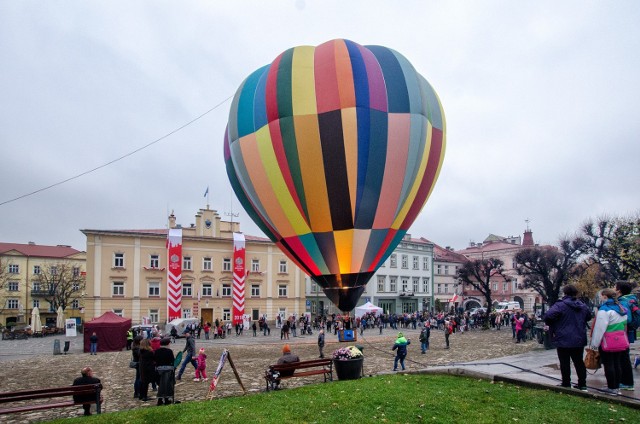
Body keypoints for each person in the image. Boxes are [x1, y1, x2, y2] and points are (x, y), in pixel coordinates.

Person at [543, 284, 592, 391]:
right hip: (578, 337)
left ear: (565, 293)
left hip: (563, 337)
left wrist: (555, 323)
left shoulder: (560, 305)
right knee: (579, 361)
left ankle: (566, 383)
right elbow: (589, 316)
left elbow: (548, 316)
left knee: (564, 362)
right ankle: (582, 384)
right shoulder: (582, 305)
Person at [589, 288, 629, 396]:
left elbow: (599, 329)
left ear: (605, 297)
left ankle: (611, 387)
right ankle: (616, 386)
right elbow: (625, 325)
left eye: (602, 296)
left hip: (607, 341)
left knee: (609, 364)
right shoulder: (622, 309)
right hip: (620, 340)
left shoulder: (604, 310)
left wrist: (594, 344)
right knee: (617, 363)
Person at [615, 281, 637, 391]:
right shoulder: (631, 300)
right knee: (623, 357)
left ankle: (626, 382)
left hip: (623, 334)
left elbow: (626, 318)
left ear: (619, 290)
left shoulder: (623, 302)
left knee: (623, 358)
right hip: (627, 333)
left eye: (615, 287)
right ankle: (626, 382)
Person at [154, 337, 176, 406]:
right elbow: (172, 361)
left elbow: (155, 360)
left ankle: (160, 400)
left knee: (161, 385)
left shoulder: (156, 351)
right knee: (167, 385)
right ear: (168, 344)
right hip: (167, 370)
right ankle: (166, 399)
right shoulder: (169, 351)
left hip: (159, 370)